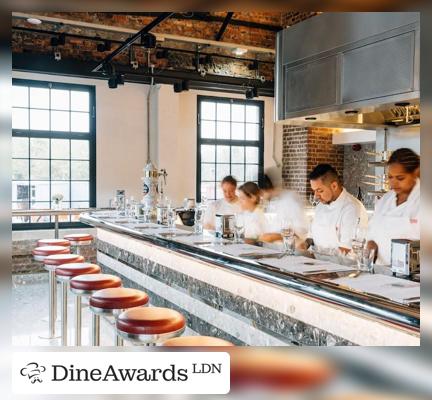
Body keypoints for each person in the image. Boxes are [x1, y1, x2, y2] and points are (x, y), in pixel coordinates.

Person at [367, 148, 420, 265]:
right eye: (390, 177)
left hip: (415, 278)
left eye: (400, 178)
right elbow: (372, 233)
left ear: (415, 172)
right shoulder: (385, 199)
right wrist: (371, 244)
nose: (393, 183)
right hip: (382, 273)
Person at [308, 164, 368, 253]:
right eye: (314, 191)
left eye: (320, 191)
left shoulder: (352, 208)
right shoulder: (320, 206)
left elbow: (347, 250)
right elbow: (312, 237)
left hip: (341, 265)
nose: (316, 196)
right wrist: (303, 244)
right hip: (317, 262)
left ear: (334, 186)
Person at [258, 169, 308, 244]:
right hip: (276, 248)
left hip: (291, 248)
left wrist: (273, 236)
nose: (261, 197)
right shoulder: (274, 201)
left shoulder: (290, 201)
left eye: (261, 193)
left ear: (265, 190)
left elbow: (299, 231)